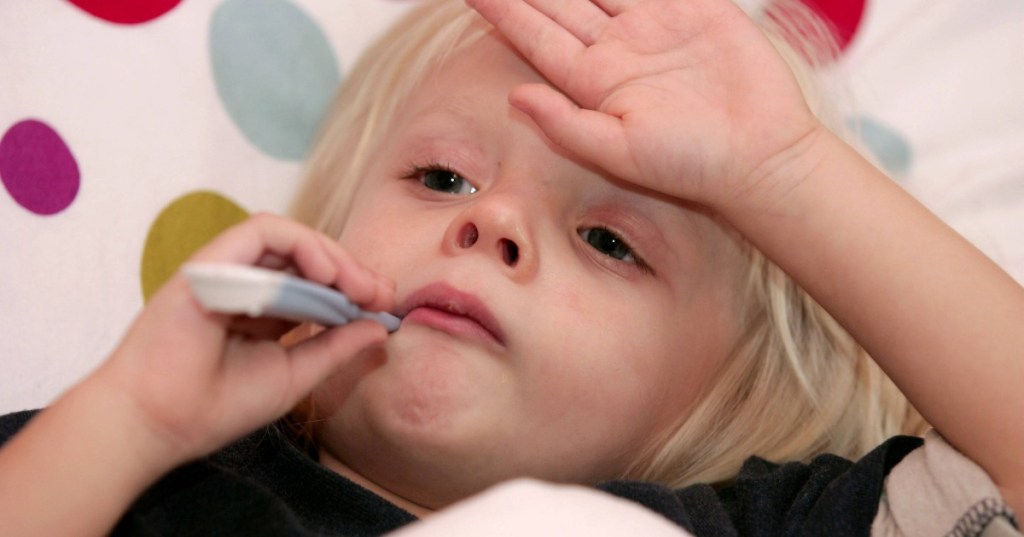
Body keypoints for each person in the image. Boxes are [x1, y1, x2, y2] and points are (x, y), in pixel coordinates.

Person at [1, 0, 1021, 535]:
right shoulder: (126, 477)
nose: (491, 223)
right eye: (441, 177)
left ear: (727, 399)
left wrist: (787, 176)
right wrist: (130, 422)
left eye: (610, 241)